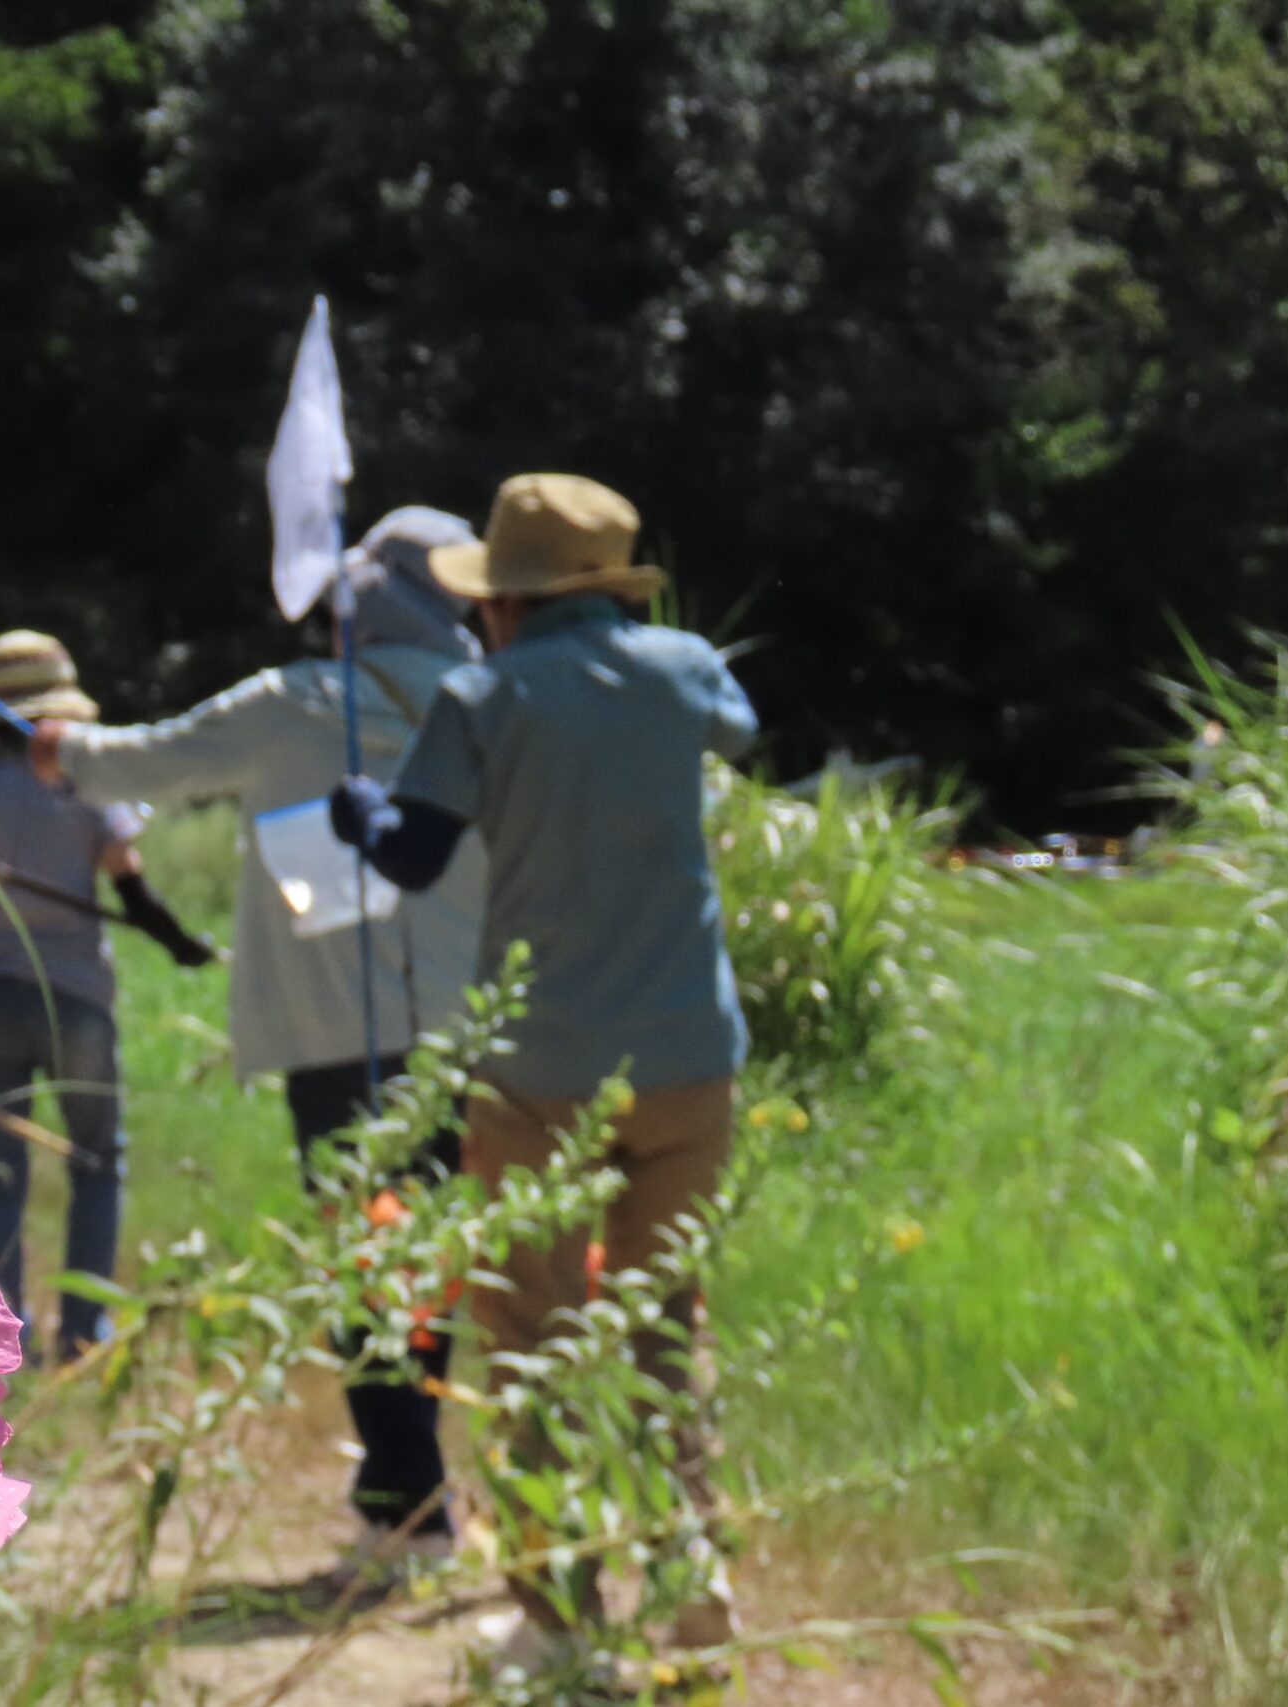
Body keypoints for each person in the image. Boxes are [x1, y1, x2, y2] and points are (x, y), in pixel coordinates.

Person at [331, 472, 757, 1663]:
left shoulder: (483, 693)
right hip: (689, 1056)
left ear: (504, 600)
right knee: (664, 1319)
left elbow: (412, 856)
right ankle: (690, 1575)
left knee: (532, 1336)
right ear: (612, 586)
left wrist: (361, 812)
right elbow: (739, 729)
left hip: (540, 1071)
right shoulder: (686, 669)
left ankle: (558, 1619)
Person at [31, 507, 490, 1561]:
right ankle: (402, 1489)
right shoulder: (487, 703)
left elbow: (154, 761)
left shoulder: (296, 703)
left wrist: (61, 750)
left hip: (337, 1033)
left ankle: (409, 1504)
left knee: (364, 1258)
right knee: (428, 1258)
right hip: (468, 1028)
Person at [0, 630, 205, 1363]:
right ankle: (84, 1333)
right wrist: (183, 944)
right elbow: (132, 885)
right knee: (95, 1160)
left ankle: (5, 1333)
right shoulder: (83, 781)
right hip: (76, 998)